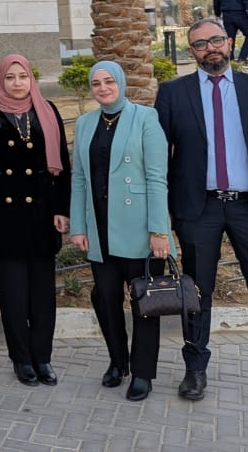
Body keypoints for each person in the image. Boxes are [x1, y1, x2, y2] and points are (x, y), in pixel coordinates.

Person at [155, 18, 248, 410]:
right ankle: (195, 369)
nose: (210, 48)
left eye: (216, 40)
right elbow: (158, 159)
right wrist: (162, 213)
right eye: (200, 44)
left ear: (228, 42)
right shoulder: (173, 94)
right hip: (198, 208)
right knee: (197, 293)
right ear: (191, 52)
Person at [69, 60, 173, 402]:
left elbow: (157, 178)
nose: (103, 88)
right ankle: (118, 361)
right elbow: (79, 179)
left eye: (109, 81)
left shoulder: (145, 118)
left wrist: (159, 230)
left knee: (145, 302)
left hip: (140, 228)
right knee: (106, 298)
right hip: (100, 230)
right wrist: (78, 226)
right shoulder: (85, 123)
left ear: (121, 83)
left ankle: (142, 372)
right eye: (96, 83)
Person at [0, 54, 71, 387]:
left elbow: (63, 165)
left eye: (23, 76)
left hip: (41, 214)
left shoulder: (47, 110)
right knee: (13, 295)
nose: (17, 83)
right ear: (1, 80)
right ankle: (22, 359)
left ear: (31, 79)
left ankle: (43, 357)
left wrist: (62, 209)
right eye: (10, 77)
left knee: (43, 295)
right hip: (2, 215)